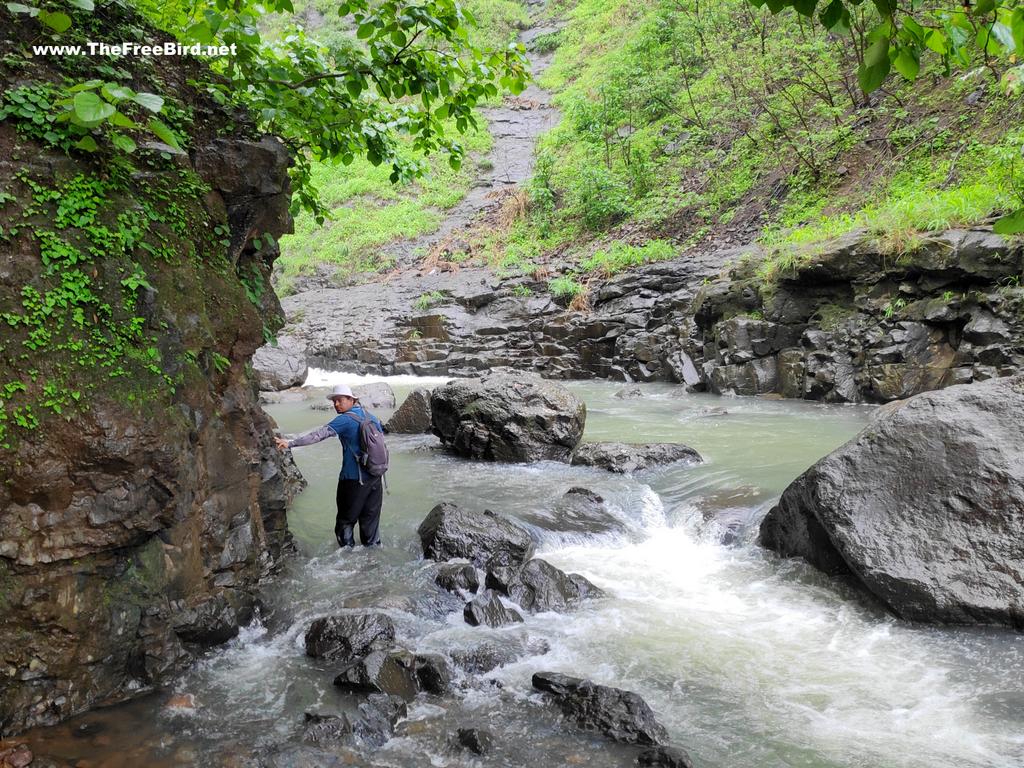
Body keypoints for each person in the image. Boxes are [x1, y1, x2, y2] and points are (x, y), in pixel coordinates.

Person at [275, 384, 384, 548]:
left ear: (351, 400)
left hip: (353, 480)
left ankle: (347, 560)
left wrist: (290, 443)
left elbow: (318, 435)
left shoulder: (345, 419)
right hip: (376, 477)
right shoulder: (371, 417)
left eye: (340, 400)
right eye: (334, 401)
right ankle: (374, 557)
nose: (336, 404)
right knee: (370, 525)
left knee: (344, 523)